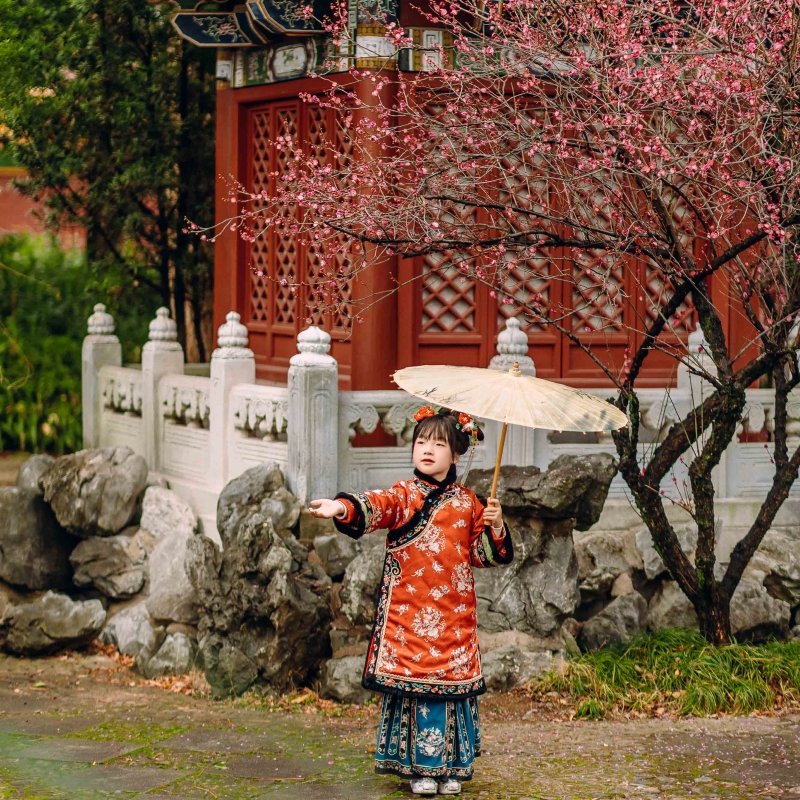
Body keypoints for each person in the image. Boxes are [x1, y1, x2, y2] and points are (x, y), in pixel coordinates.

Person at [309, 406, 514, 796]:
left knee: (452, 688)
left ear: (457, 454)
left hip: (454, 615)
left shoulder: (470, 504)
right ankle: (417, 768)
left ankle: (453, 766)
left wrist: (496, 524)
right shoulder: (403, 495)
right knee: (414, 686)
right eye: (421, 441)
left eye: (439, 444)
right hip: (410, 612)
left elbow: (484, 555)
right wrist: (341, 507)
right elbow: (375, 504)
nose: (428, 450)